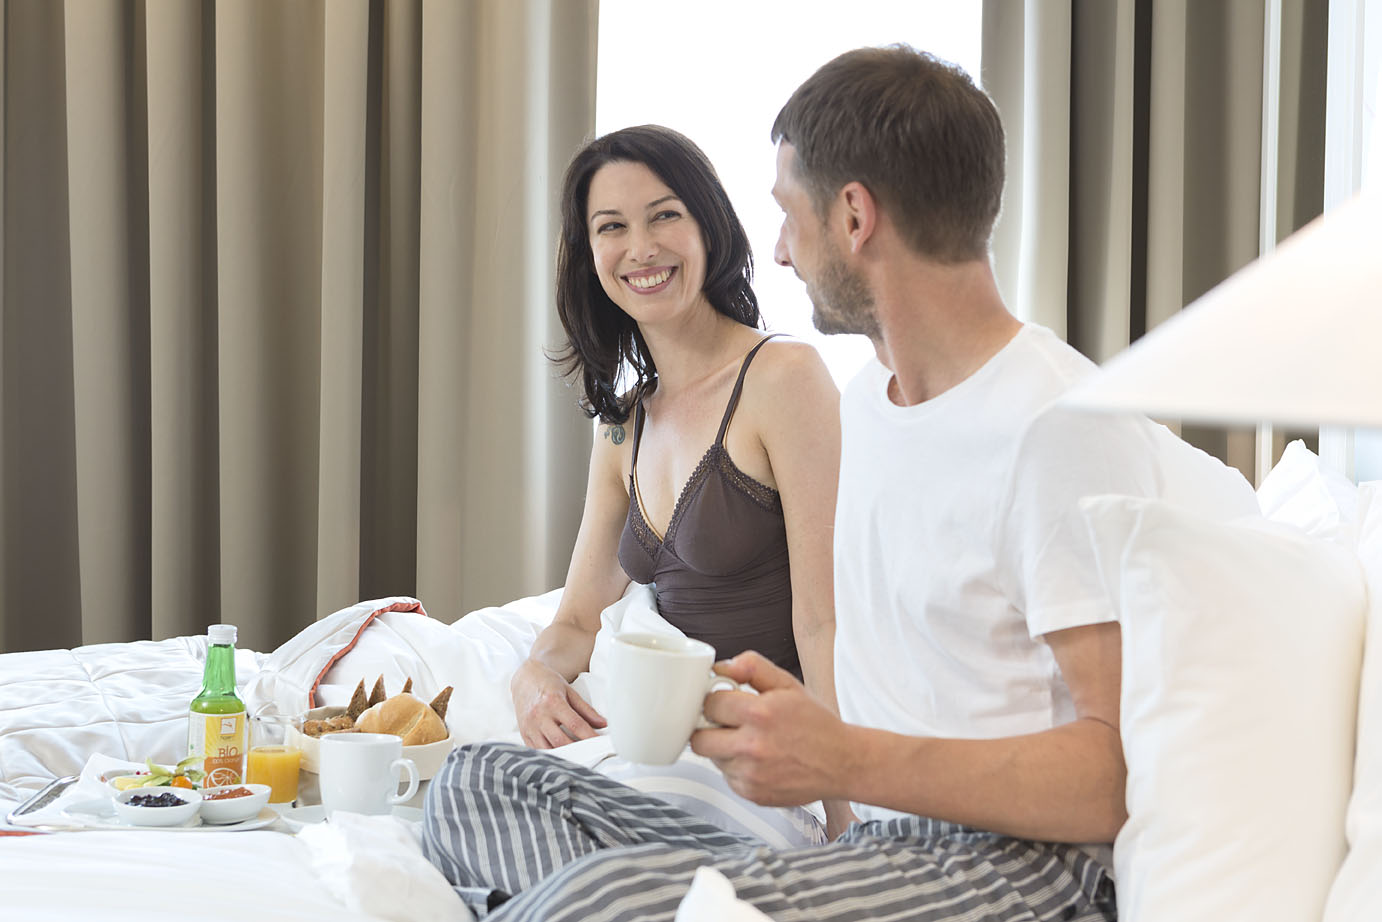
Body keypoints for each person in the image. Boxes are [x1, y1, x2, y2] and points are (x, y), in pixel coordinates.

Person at [421, 47, 1256, 921]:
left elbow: (1115, 774)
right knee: (479, 784)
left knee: (597, 903)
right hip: (877, 842)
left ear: (853, 215)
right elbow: (842, 643)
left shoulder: (1056, 429)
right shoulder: (871, 404)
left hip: (1016, 864)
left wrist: (844, 761)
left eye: (789, 214)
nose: (778, 251)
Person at [506, 125, 842, 765]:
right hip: (648, 741)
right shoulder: (622, 424)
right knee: (469, 782)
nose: (641, 248)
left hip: (748, 758)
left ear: (708, 227)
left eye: (664, 216)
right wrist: (534, 676)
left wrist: (838, 806)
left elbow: (822, 624)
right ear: (589, 254)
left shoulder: (783, 379)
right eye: (611, 227)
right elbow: (577, 620)